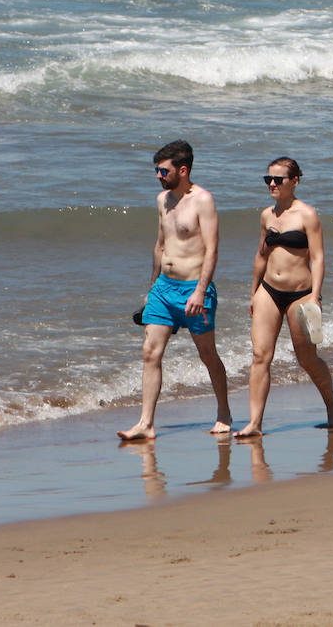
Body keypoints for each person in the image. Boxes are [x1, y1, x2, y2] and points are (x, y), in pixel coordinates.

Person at [117, 140, 231, 440]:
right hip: (163, 290)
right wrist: (152, 286)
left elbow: (212, 250)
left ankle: (223, 412)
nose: (158, 175)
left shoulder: (203, 200)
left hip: (194, 289)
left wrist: (200, 291)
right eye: (156, 169)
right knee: (150, 352)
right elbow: (160, 244)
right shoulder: (162, 200)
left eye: (163, 170)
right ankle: (146, 424)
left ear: (183, 169)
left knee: (207, 354)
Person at [233, 157, 333, 439]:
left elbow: (318, 259)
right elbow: (261, 255)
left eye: (278, 179)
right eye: (267, 179)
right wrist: (254, 292)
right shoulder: (266, 215)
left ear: (294, 182)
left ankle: (331, 405)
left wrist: (315, 297)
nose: (271, 184)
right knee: (260, 355)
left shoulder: (307, 215)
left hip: (301, 295)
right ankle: (255, 423)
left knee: (306, 358)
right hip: (268, 290)